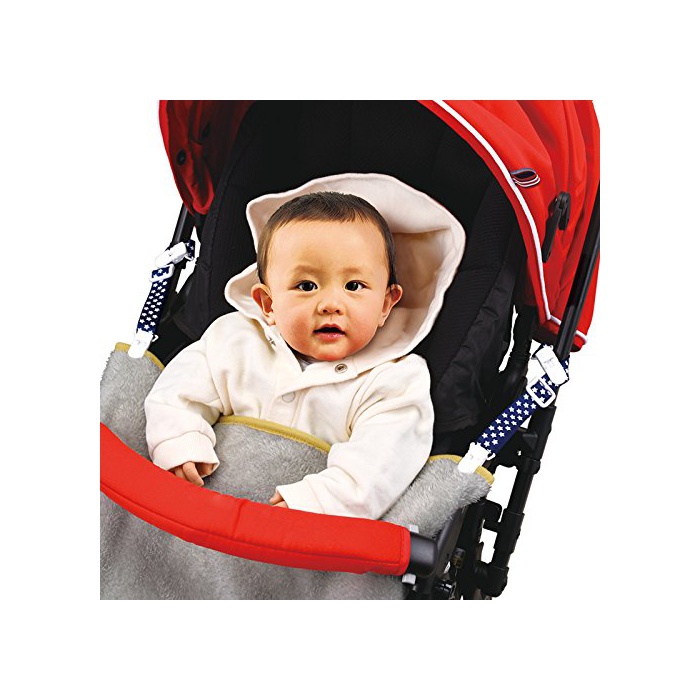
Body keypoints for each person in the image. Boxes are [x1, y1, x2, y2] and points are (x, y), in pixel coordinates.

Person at [144, 174, 465, 519]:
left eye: (354, 286)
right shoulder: (234, 339)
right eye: (307, 285)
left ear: (386, 304)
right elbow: (177, 394)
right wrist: (181, 442)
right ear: (268, 304)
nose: (331, 304)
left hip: (303, 534)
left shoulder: (395, 381)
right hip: (200, 509)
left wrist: (321, 501)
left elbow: (380, 465)